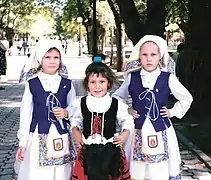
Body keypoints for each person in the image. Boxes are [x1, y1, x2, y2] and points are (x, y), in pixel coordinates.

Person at [113, 35, 193, 180]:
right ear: (139, 56)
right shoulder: (132, 77)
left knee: (160, 167)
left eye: (153, 55)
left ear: (160, 56)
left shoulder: (168, 78)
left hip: (162, 129)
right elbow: (116, 98)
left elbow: (186, 98)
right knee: (137, 165)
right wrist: (127, 110)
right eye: (144, 55)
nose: (149, 59)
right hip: (137, 129)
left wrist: (172, 111)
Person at [15, 41, 76, 180]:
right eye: (47, 57)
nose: (52, 61)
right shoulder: (32, 83)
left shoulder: (67, 84)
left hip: (61, 136)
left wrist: (67, 112)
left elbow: (74, 106)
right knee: (38, 172)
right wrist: (23, 142)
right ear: (40, 59)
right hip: (37, 135)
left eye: (56, 57)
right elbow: (25, 113)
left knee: (61, 170)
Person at [71, 62, 133, 180]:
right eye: (93, 82)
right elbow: (76, 120)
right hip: (87, 151)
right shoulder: (81, 103)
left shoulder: (115, 103)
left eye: (102, 82)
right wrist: (76, 132)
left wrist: (124, 135)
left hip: (110, 151)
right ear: (87, 84)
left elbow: (127, 120)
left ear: (108, 83)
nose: (97, 86)